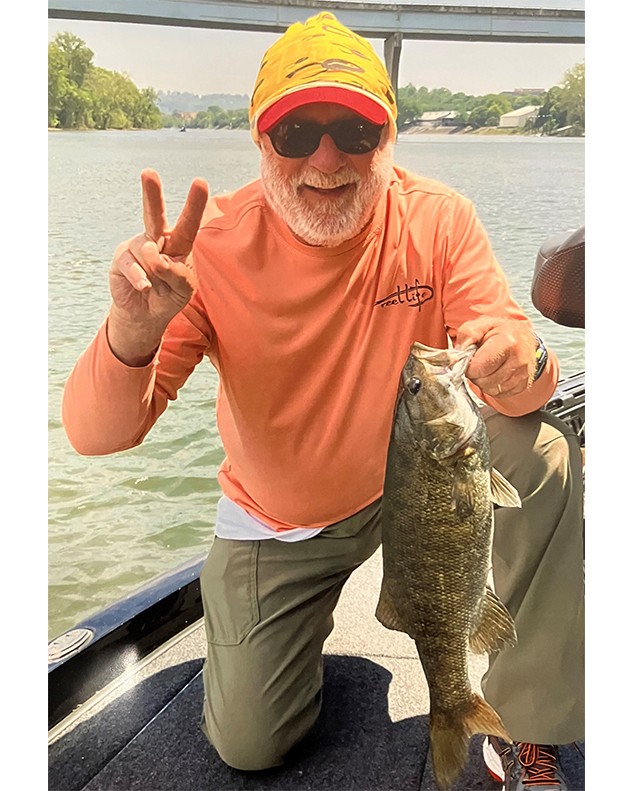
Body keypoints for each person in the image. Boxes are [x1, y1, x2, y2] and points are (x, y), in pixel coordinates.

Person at [61, 12, 584, 791]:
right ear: (258, 139)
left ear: (390, 137)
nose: (328, 157)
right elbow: (96, 433)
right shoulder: (208, 250)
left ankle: (529, 724)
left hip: (419, 483)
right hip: (283, 516)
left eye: (356, 129)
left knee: (540, 453)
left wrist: (523, 358)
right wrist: (131, 333)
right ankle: (295, 652)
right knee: (249, 744)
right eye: (297, 131)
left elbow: (527, 363)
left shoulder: (437, 217)